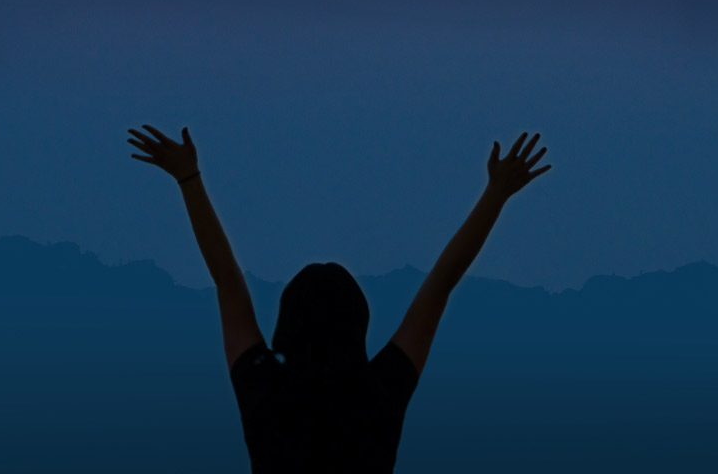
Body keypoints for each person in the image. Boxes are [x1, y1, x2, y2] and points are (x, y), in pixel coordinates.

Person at [126, 125, 550, 473]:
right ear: (358, 324)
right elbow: (441, 285)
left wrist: (188, 178)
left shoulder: (264, 388)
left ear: (287, 324)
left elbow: (226, 281)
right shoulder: (380, 389)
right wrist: (496, 193)